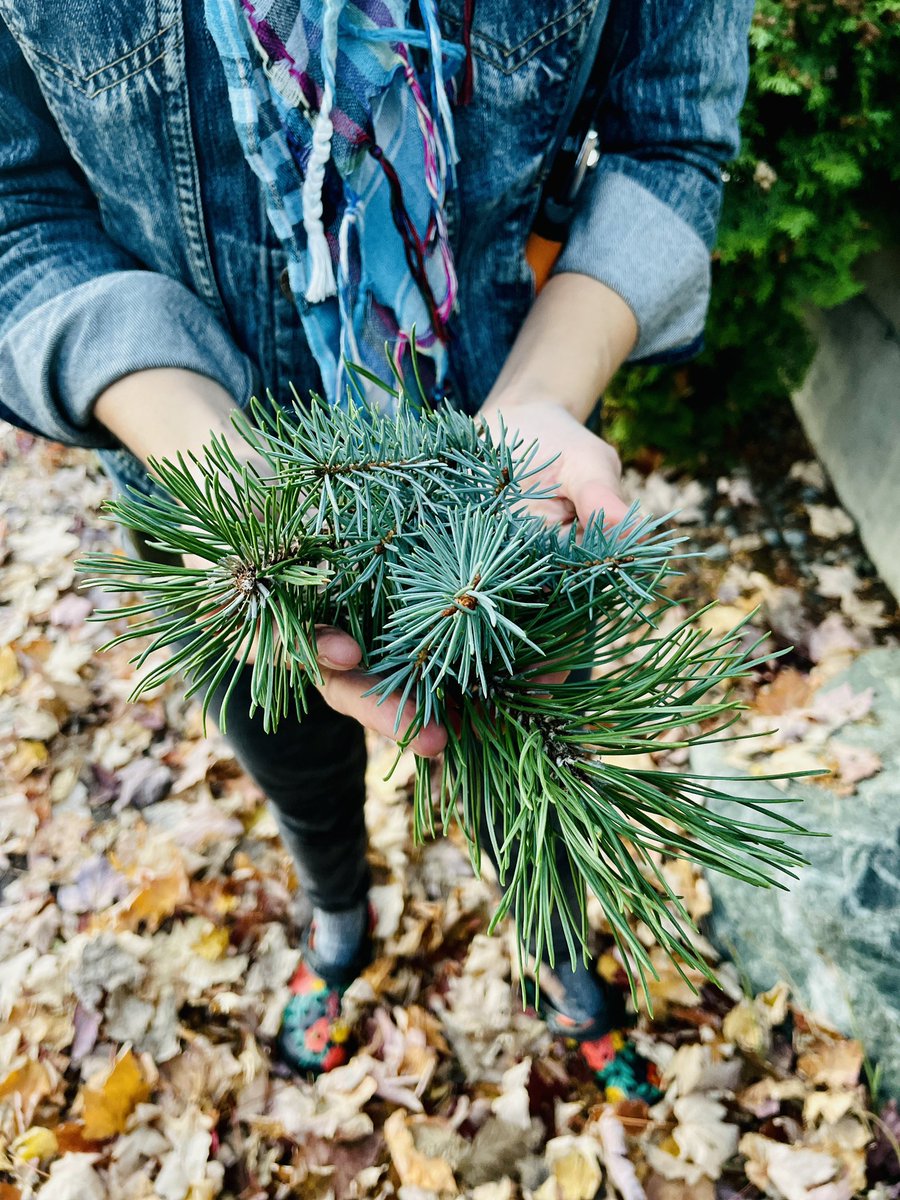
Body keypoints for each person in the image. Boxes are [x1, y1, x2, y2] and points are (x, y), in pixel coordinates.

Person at [0, 0, 754, 1073]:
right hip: (214, 485)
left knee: (526, 746)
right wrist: (226, 485)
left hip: (501, 490)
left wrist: (540, 401)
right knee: (294, 750)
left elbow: (670, 138)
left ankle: (551, 939)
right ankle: (336, 917)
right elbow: (15, 208)